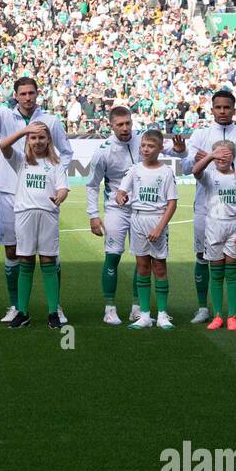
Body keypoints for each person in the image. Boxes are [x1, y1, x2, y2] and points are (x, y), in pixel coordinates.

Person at [0, 64, 73, 325]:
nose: (28, 98)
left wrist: (55, 179)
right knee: (13, 251)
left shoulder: (51, 120)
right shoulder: (6, 117)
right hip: (11, 192)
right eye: (23, 94)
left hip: (43, 196)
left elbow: (66, 152)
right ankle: (15, 305)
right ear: (16, 96)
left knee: (50, 255)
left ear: (37, 94)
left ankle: (56, 307)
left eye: (32, 93)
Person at [165, 90, 236, 325]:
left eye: (227, 107)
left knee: (235, 256)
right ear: (212, 109)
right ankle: (203, 308)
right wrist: (200, 158)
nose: (223, 111)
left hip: (233, 210)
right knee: (202, 256)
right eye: (218, 107)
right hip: (205, 208)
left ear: (234, 110)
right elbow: (187, 167)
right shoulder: (202, 134)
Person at [0, 122, 68, 329]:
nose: (38, 141)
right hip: (24, 215)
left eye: (41, 137)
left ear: (48, 140)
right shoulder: (21, 160)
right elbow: (3, 146)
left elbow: (63, 188)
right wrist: (24, 130)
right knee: (26, 261)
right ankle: (22, 312)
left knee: (48, 261)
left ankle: (52, 312)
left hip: (48, 215)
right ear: (28, 140)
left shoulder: (56, 164)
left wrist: (60, 196)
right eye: (34, 138)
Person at [114, 129, 177, 330]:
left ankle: (162, 314)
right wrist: (121, 197)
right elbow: (121, 191)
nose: (145, 149)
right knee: (142, 266)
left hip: (157, 220)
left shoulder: (166, 172)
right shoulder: (135, 170)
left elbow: (172, 203)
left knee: (159, 267)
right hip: (138, 219)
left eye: (150, 146)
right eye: (143, 145)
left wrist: (160, 227)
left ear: (159, 148)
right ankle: (144, 315)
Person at [87, 106, 142, 326]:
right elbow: (92, 185)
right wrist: (93, 214)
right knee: (113, 256)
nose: (125, 128)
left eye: (128, 123)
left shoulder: (142, 141)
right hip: (115, 210)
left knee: (143, 258)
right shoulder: (103, 151)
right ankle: (110, 308)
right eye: (120, 124)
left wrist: (180, 151)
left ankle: (138, 308)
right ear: (111, 125)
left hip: (142, 209)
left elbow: (166, 149)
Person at [191, 141, 236, 331]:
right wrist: (210, 156)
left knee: (232, 272)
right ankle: (217, 316)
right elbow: (195, 171)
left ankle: (232, 316)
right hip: (213, 227)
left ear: (233, 157)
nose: (221, 159)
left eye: (226, 155)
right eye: (218, 155)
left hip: (234, 227)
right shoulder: (209, 175)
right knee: (216, 273)